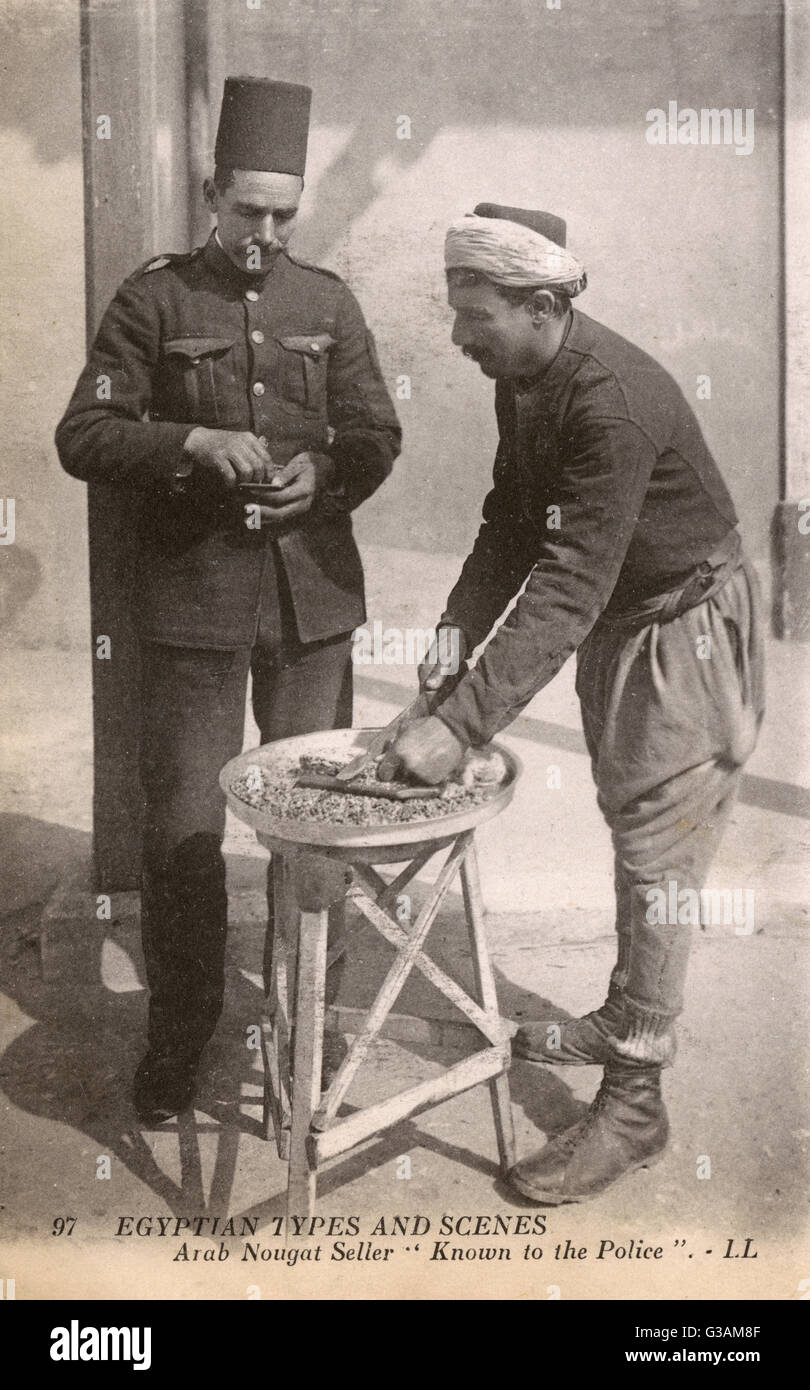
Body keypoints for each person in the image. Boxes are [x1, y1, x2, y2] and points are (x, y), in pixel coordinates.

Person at [379, 202, 765, 1205]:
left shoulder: (613, 402)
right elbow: (511, 525)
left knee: (657, 853)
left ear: (543, 303)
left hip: (683, 627)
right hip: (625, 617)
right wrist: (451, 653)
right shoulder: (527, 377)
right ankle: (626, 1010)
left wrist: (460, 724)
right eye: (456, 311)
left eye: (476, 316)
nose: (457, 336)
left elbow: (566, 583)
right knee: (631, 823)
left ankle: (635, 1102)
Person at [55, 77, 401, 1125]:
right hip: (195, 606)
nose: (263, 235)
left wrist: (326, 477)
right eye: (246, 210)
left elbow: (377, 434)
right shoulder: (153, 300)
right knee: (186, 833)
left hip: (310, 610)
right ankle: (179, 1039)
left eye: (282, 215)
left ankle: (310, 1031)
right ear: (211, 195)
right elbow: (85, 436)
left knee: (316, 828)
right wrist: (191, 443)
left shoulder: (328, 302)